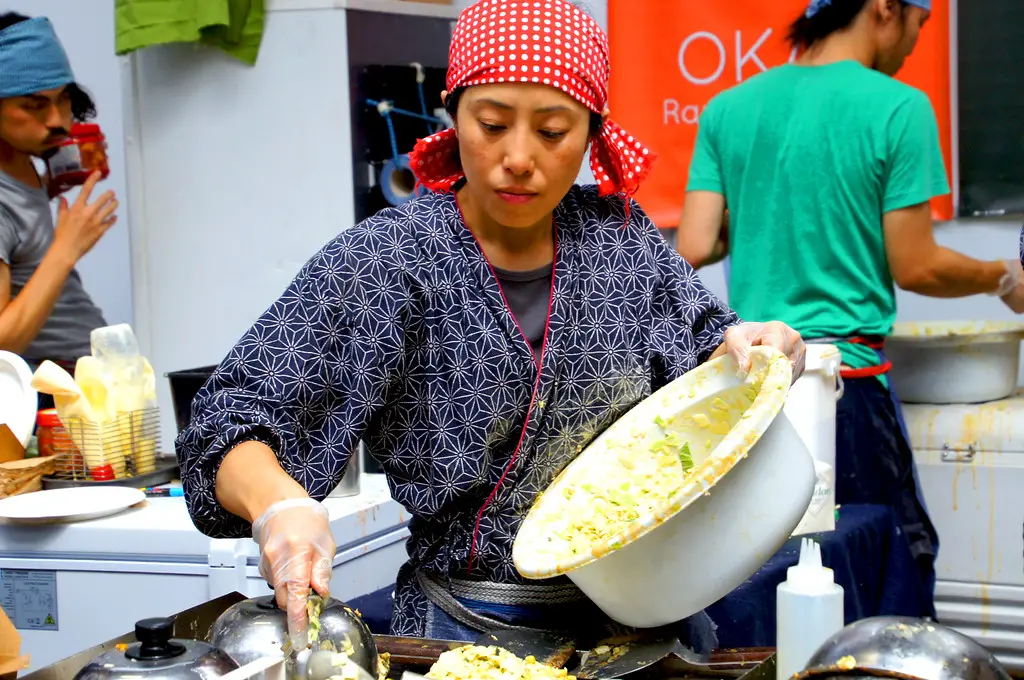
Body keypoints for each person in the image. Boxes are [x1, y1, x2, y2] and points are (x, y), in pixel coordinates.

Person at [177, 0, 806, 650]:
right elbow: (227, 426)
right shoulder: (388, 263)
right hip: (471, 631)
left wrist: (762, 347)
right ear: (453, 113)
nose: (518, 158)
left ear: (593, 132)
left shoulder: (622, 241)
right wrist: (280, 506)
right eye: (493, 122)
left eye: (554, 131)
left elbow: (713, 364)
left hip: (647, 615)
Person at [676, 0, 1024, 615]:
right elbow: (916, 265)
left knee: (767, 580)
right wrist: (1004, 277)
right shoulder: (898, 105)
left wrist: (764, 218)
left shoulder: (728, 108)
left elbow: (696, 244)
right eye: (920, 24)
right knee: (880, 568)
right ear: (886, 8)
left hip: (755, 387)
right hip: (846, 390)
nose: (916, 43)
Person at [0, 13, 117, 372]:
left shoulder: (21, 160)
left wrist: (51, 187)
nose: (58, 121)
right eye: (34, 105)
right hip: (48, 391)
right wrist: (66, 249)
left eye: (63, 99)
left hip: (81, 372)